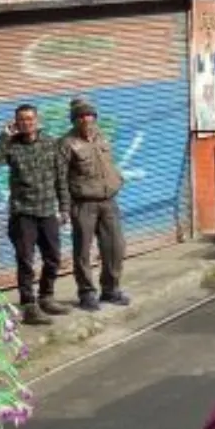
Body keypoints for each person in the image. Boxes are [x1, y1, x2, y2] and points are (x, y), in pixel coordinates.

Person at [0, 104, 68, 327]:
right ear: (16, 123)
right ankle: (29, 306)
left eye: (30, 119)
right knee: (25, 261)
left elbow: (61, 179)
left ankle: (46, 297)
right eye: (21, 120)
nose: (26, 123)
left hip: (48, 212)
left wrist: (65, 208)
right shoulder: (11, 146)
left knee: (53, 258)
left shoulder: (51, 144)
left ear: (37, 121)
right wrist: (3, 136)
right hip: (23, 214)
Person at [60, 96, 130, 313]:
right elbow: (60, 178)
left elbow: (108, 163)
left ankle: (110, 289)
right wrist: (64, 207)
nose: (86, 119)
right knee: (83, 251)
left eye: (89, 115)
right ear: (74, 120)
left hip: (108, 201)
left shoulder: (101, 137)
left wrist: (117, 178)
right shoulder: (67, 143)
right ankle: (87, 292)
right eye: (81, 116)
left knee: (115, 247)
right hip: (83, 204)